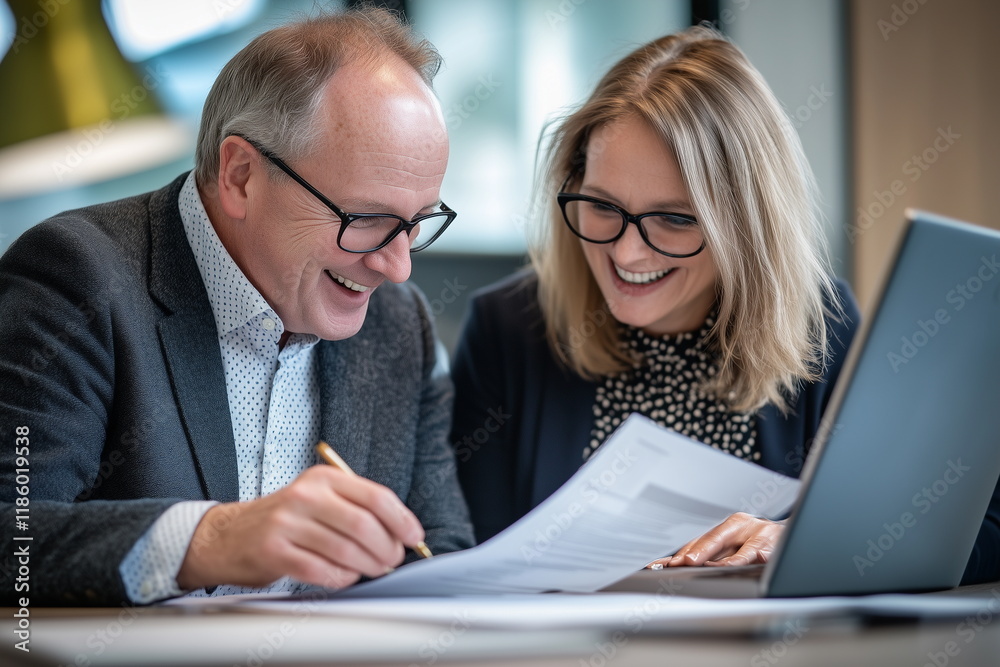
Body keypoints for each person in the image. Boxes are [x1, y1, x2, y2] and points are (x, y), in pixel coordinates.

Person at [450, 26, 1000, 582]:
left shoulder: (821, 328)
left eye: (675, 218)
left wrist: (797, 539)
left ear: (747, 224)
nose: (626, 250)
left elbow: (973, 527)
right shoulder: (507, 329)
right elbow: (471, 556)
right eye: (602, 206)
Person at [0, 8, 473, 606]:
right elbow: (11, 538)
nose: (397, 266)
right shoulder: (74, 278)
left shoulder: (399, 325)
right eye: (367, 221)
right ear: (242, 175)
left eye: (416, 223)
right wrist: (212, 538)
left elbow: (441, 553)